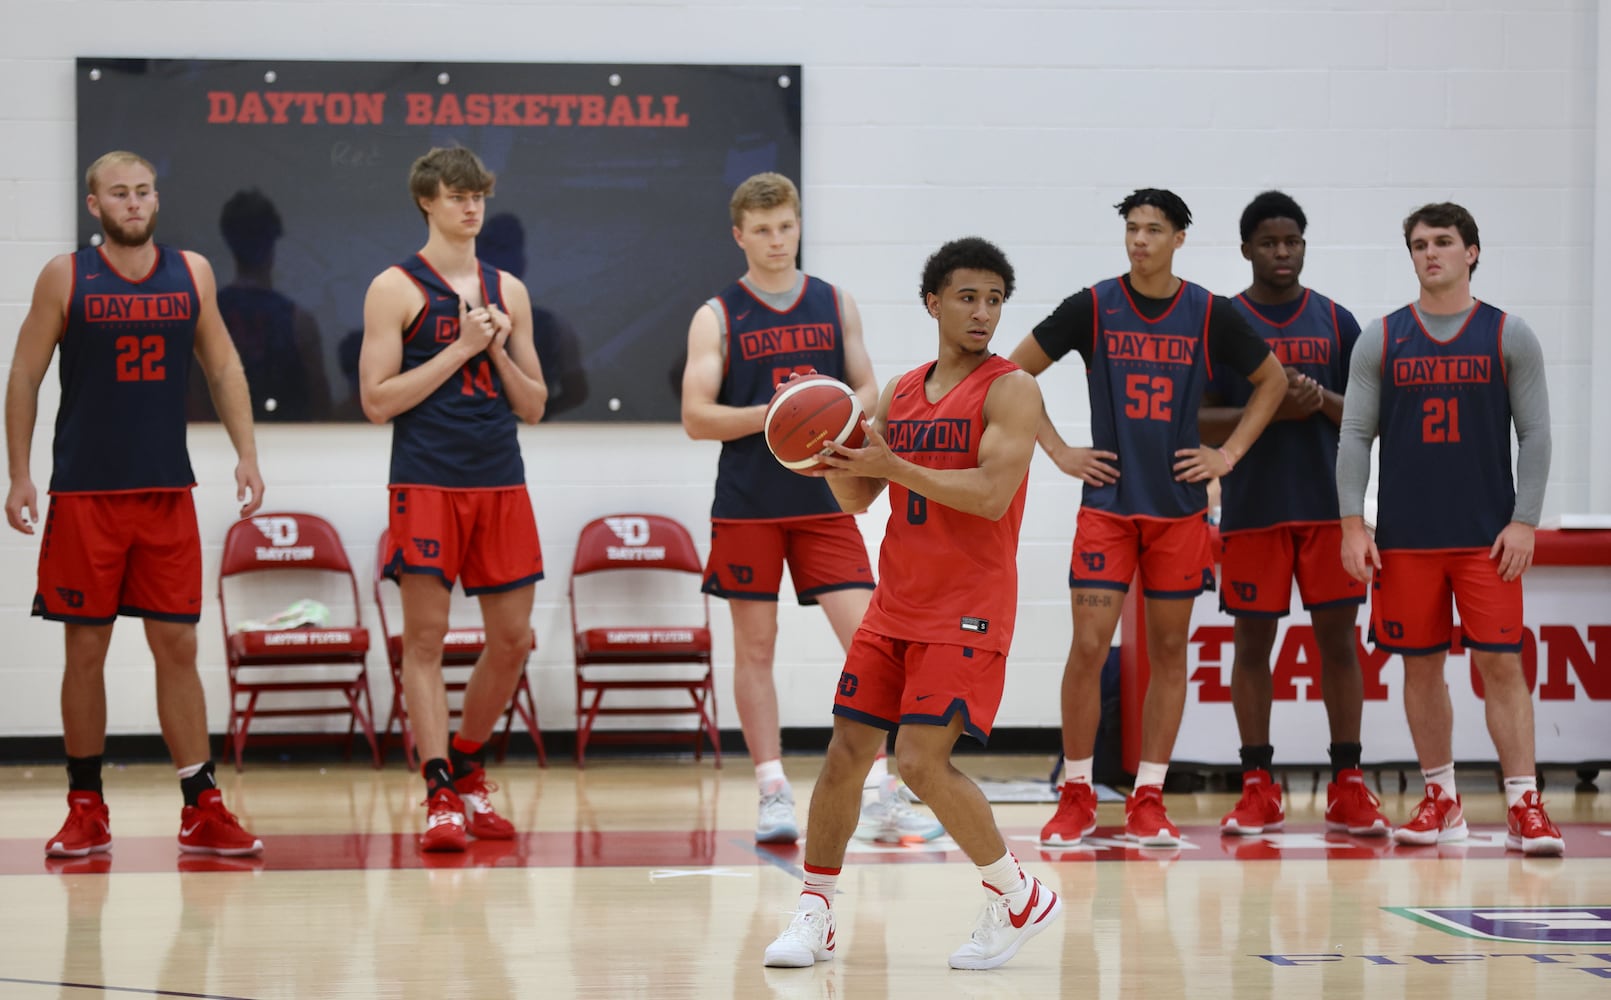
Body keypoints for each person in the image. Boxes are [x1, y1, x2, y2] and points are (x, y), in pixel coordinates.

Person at [763, 236, 1061, 972]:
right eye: (967, 297)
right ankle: (816, 913)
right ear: (932, 302)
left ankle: (1016, 894)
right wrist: (825, 445)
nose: (982, 312)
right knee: (843, 757)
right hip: (896, 604)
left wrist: (892, 462)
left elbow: (991, 497)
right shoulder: (899, 392)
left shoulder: (1011, 388)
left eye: (994, 299)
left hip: (967, 607)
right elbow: (860, 494)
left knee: (921, 762)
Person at [5, 150, 267, 858]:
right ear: (94, 205)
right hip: (86, 493)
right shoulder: (65, 276)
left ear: (157, 199)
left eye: (143, 191)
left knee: (177, 646)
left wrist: (246, 453)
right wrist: (19, 473)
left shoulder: (193, 272)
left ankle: (201, 804)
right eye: (118, 193)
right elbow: (25, 374)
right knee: (84, 649)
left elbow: (221, 365)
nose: (132, 203)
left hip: (164, 493)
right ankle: (85, 805)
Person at [1007, 188, 1286, 848]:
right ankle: (1075, 793)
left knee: (1166, 652)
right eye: (1131, 229)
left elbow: (1271, 381)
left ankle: (1149, 798)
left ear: (1178, 239)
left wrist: (1226, 455)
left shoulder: (1209, 313)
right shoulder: (1093, 305)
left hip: (1177, 513)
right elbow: (1011, 373)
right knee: (1086, 647)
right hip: (1107, 508)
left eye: (1152, 230)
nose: (1138, 240)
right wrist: (1058, 450)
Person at [680, 172, 941, 845]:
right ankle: (771, 789)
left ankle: (882, 789)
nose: (775, 240)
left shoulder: (834, 303)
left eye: (785, 226)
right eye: (761, 229)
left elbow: (868, 388)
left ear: (798, 226)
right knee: (756, 648)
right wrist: (774, 417)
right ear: (739, 235)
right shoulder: (716, 315)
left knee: (868, 643)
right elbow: (695, 415)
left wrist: (835, 413)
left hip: (826, 497)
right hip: (747, 504)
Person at [1337, 201, 1562, 856]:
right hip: (1406, 540)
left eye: (1441, 241)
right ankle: (1442, 800)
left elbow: (1537, 434)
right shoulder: (1382, 336)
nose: (1428, 252)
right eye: (1416, 243)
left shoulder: (1507, 334)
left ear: (1471, 252)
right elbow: (1353, 435)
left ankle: (1523, 804)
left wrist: (1523, 521)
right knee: (1420, 669)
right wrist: (1352, 524)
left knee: (1500, 663)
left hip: (1484, 538)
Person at [359, 146, 548, 853]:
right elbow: (376, 401)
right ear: (426, 202)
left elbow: (533, 404)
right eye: (456, 195)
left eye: (478, 196)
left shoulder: (511, 290)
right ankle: (438, 787)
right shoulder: (394, 287)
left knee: (512, 640)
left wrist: (494, 349)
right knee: (427, 640)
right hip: (427, 480)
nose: (471, 207)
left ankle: (468, 761)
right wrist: (459, 347)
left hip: (500, 479)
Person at [1200, 191, 1389, 837]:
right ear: (1246, 248)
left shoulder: (1336, 322)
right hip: (1253, 507)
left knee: (1338, 644)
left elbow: (1372, 416)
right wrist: (1271, 405)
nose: (1282, 253)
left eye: (1292, 242)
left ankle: (1348, 784)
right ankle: (1257, 785)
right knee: (1253, 646)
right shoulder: (1223, 322)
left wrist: (1319, 399)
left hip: (1325, 507)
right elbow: (1194, 417)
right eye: (1269, 243)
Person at [186, 188, 332, 422]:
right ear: (273, 241)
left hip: (220, 448)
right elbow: (322, 408)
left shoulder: (207, 318)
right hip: (294, 450)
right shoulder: (298, 322)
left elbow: (196, 398)